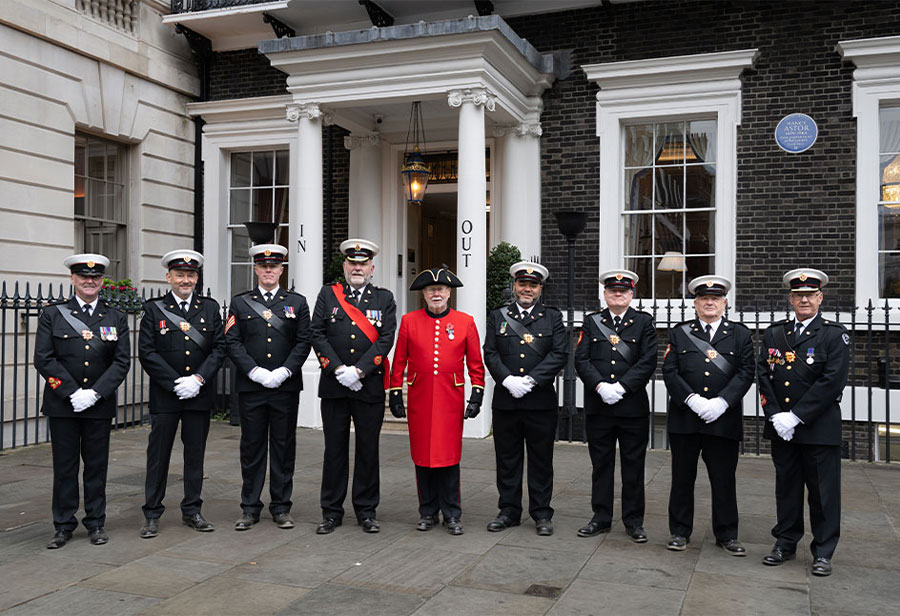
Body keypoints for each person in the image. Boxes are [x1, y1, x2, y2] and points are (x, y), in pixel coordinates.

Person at [34, 254, 130, 549]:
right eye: (84, 277)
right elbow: (43, 358)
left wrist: (95, 393)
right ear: (73, 279)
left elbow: (122, 361)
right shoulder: (53, 314)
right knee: (64, 467)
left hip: (98, 405)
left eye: (96, 277)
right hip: (63, 404)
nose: (90, 281)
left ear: (103, 282)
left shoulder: (115, 316)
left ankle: (96, 523)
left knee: (96, 466)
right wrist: (71, 392)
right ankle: (63, 525)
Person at [757, 268, 849, 577]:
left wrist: (796, 416)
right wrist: (776, 416)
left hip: (817, 428)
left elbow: (832, 382)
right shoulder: (774, 333)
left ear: (820, 297)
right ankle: (785, 542)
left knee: (823, 494)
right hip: (782, 428)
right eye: (798, 295)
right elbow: (765, 376)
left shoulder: (834, 335)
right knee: (787, 489)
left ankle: (823, 551)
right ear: (790, 298)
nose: (804, 300)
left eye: (810, 295)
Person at [388, 267, 485, 535]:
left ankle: (452, 513)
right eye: (431, 290)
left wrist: (476, 394)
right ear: (423, 294)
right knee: (422, 458)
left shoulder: (465, 322)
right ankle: (428, 511)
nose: (436, 294)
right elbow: (399, 361)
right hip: (420, 398)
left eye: (441, 289)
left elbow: (476, 363)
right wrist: (395, 391)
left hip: (450, 399)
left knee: (449, 458)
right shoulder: (409, 321)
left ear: (449, 292)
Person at [662, 275, 754, 554]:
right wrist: (691, 399)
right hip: (686, 419)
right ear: (695, 303)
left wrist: (722, 403)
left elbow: (746, 371)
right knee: (682, 478)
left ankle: (726, 534)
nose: (709, 303)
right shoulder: (680, 333)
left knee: (723, 479)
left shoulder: (740, 334)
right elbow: (670, 370)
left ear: (725, 303)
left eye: (715, 298)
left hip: (722, 419)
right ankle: (679, 531)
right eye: (704, 299)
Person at [310, 239, 397, 535]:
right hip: (335, 386)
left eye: (363, 264)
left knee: (367, 450)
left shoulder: (384, 299)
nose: (357, 268)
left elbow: (386, 338)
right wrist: (338, 369)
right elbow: (317, 334)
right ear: (345, 266)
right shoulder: (328, 294)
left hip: (367, 385)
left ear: (371, 268)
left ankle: (366, 510)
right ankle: (331, 511)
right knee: (334, 450)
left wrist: (360, 370)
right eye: (353, 263)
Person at [137, 250, 225, 538]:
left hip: (198, 394)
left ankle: (192, 510)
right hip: (167, 395)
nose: (185, 280)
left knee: (195, 455)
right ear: (169, 277)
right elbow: (147, 352)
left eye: (190, 275)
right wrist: (176, 382)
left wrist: (198, 378)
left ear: (196, 278)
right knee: (158, 455)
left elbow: (219, 348)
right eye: (179, 275)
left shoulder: (210, 308)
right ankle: (152, 513)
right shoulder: (154, 309)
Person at [225, 243, 311, 531]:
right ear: (256, 270)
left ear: (281, 270)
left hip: (285, 388)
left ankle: (281, 507)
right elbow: (232, 342)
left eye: (274, 266)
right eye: (263, 267)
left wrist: (285, 370)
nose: (269, 271)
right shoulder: (240, 303)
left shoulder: (297, 303)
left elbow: (303, 341)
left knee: (284, 447)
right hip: (252, 387)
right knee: (251, 448)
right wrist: (255, 371)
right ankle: (249, 507)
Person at [482, 261, 566, 536]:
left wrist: (530, 381)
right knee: (507, 458)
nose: (527, 289)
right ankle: (508, 510)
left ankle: (542, 513)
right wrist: (507, 380)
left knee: (541, 459)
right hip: (507, 400)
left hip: (540, 401)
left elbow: (559, 354)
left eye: (533, 285)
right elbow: (490, 352)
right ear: (515, 286)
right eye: (522, 284)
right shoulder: (498, 315)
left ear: (540, 289)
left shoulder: (552, 317)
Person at [574, 270, 657, 541]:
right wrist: (600, 386)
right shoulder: (592, 321)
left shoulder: (644, 322)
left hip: (632, 407)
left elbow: (648, 360)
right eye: (612, 291)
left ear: (632, 295)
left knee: (633, 466)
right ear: (605, 294)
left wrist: (621, 387)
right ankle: (601, 517)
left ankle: (634, 521)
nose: (617, 295)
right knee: (601, 465)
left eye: (623, 291)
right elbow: (581, 359)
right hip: (599, 406)